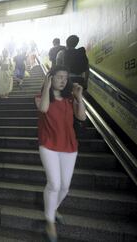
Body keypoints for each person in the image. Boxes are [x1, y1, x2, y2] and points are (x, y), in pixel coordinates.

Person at [35, 65, 86, 242]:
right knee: (54, 184)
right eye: (59, 77)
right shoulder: (41, 97)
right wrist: (47, 88)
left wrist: (79, 98)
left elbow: (82, 117)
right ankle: (49, 221)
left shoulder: (70, 99)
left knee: (65, 186)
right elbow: (43, 109)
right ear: (50, 78)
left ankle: (54, 208)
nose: (63, 80)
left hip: (69, 146)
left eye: (65, 77)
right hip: (48, 145)